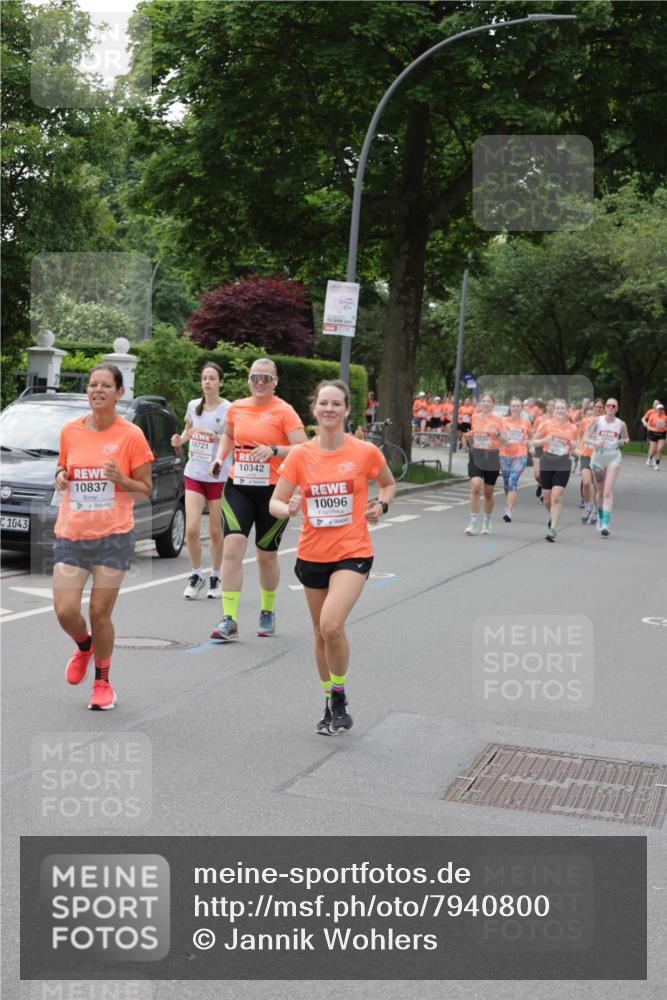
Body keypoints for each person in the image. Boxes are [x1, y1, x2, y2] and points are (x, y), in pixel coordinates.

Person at [269, 380, 396, 734]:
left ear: (346, 410)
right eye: (323, 403)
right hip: (312, 553)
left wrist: (381, 505)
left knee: (331, 624)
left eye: (336, 404)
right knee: (320, 634)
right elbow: (275, 501)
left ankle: (339, 694)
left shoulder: (364, 452)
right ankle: (329, 700)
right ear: (314, 409)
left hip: (353, 551)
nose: (329, 409)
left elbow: (388, 484)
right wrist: (288, 509)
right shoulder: (300, 455)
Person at [52, 365, 154, 710]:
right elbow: (63, 466)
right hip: (72, 534)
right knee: (65, 611)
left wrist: (121, 479)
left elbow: (145, 489)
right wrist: (61, 476)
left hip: (114, 536)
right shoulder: (70, 431)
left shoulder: (132, 436)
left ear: (119, 392)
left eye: (106, 385)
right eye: (93, 385)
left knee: (99, 612)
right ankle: (84, 646)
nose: (98, 390)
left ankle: (103, 682)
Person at [208, 358, 307, 641]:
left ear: (275, 382)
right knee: (232, 547)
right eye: (255, 377)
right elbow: (229, 436)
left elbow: (303, 447)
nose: (260, 383)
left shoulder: (284, 411)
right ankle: (229, 619)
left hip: (274, 491)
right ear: (248, 380)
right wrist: (220, 459)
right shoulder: (237, 407)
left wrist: (274, 450)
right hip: (238, 486)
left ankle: (267, 610)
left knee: (266, 555)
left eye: (266, 378)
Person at [171, 362, 231, 600]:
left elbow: (233, 438)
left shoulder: (228, 409)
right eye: (204, 378)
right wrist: (180, 440)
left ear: (221, 382)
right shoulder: (193, 405)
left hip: (218, 475)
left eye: (212, 378)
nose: (207, 382)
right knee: (192, 528)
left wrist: (213, 436)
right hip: (194, 473)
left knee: (216, 531)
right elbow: (188, 430)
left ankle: (216, 575)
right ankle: (197, 574)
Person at [530, 398, 578, 542]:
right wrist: (544, 441)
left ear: (567, 411)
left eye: (562, 408)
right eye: (558, 408)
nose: (560, 410)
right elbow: (533, 441)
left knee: (556, 496)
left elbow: (575, 446)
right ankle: (552, 514)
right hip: (547, 461)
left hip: (563, 462)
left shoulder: (573, 428)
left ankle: (553, 529)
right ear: (554, 410)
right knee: (547, 498)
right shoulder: (546, 425)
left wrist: (574, 447)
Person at [464, 391, 507, 536]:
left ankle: (487, 521)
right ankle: (472, 522)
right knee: (475, 485)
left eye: (489, 401)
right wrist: (469, 437)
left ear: (493, 404)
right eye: (484, 401)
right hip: (477, 454)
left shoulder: (498, 420)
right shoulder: (474, 417)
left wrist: (496, 433)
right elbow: (471, 439)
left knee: (488, 492)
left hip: (492, 456)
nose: (486, 403)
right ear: (480, 402)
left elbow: (505, 440)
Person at [589, 398, 630, 537]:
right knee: (600, 492)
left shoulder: (621, 424)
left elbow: (627, 438)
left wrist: (623, 441)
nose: (610, 407)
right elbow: (586, 438)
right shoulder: (596, 421)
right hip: (598, 458)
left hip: (613, 457)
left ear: (617, 409)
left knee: (608, 492)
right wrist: (595, 442)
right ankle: (600, 517)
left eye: (613, 406)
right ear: (605, 407)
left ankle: (606, 524)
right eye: (608, 405)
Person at [499, 397, 532, 521]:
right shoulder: (503, 421)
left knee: (512, 481)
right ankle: (509, 503)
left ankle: (508, 511)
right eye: (513, 406)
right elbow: (498, 436)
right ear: (510, 407)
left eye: (518, 406)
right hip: (504, 454)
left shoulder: (526, 422)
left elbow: (531, 436)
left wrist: (531, 446)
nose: (515, 408)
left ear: (521, 408)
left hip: (520, 454)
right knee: (506, 483)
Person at [576, 399, 604, 524]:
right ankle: (587, 507)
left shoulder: (607, 423)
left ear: (604, 409)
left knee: (597, 487)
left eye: (600, 407)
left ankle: (595, 511)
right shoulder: (585, 421)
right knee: (586, 482)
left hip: (599, 457)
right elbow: (579, 436)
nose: (598, 409)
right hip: (586, 455)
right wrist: (578, 448)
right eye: (596, 407)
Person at [643, 402, 665, 469]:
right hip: (653, 433)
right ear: (657, 410)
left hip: (662, 434)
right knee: (653, 450)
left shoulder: (665, 417)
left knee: (659, 449)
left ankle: (657, 465)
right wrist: (653, 429)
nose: (660, 410)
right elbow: (648, 426)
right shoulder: (652, 416)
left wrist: (665, 428)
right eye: (659, 409)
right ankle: (650, 458)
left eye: (661, 409)